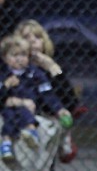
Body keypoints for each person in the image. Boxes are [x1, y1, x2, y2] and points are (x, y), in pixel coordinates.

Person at [14, 19, 81, 163]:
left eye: (37, 38)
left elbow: (70, 102)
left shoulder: (52, 65)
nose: (32, 42)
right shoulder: (11, 68)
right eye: (26, 38)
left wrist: (51, 67)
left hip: (47, 114)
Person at [0, 34, 73, 162]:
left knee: (25, 112)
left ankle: (31, 132)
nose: (19, 59)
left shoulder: (35, 73)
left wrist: (59, 109)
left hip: (29, 107)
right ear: (5, 58)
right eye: (14, 55)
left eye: (23, 55)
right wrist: (5, 86)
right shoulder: (4, 75)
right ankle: (6, 145)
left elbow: (47, 93)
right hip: (9, 106)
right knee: (8, 116)